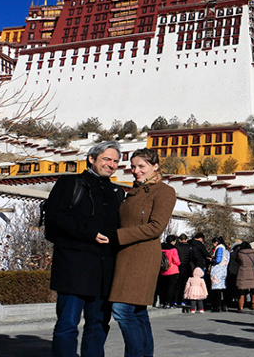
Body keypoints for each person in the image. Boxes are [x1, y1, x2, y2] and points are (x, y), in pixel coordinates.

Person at [44, 140, 124, 357]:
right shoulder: (71, 183)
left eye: (115, 161)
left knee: (98, 325)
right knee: (68, 324)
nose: (111, 164)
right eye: (106, 159)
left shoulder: (117, 191)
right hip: (74, 267)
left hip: (104, 270)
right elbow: (55, 217)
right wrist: (88, 233)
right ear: (91, 159)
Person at [107, 148, 177, 357]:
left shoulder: (164, 191)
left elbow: (156, 227)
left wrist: (118, 236)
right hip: (123, 256)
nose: (136, 171)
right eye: (133, 167)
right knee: (137, 311)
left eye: (141, 166)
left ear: (155, 166)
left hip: (143, 257)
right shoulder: (133, 192)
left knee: (121, 309)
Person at [157, 235, 181, 308]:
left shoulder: (161, 248)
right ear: (173, 241)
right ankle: (168, 302)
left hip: (163, 270)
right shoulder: (173, 249)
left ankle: (162, 302)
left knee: (163, 287)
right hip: (172, 270)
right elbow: (177, 261)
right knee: (171, 287)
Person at [235, 242, 254, 311]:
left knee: (241, 290)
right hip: (252, 271)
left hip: (242, 272)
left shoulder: (240, 253)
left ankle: (241, 307)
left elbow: (237, 260)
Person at [173, 234, 196, 309]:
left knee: (177, 284)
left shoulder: (177, 247)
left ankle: (175, 300)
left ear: (179, 240)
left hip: (179, 267)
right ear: (186, 239)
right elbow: (192, 257)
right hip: (187, 267)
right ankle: (183, 300)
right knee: (185, 285)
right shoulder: (190, 247)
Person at [209, 236, 230, 312]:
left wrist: (212, 260)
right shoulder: (226, 249)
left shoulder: (220, 248)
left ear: (216, 243)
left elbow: (218, 260)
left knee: (217, 289)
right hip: (224, 270)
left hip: (217, 270)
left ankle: (218, 306)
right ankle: (224, 305)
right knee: (223, 288)